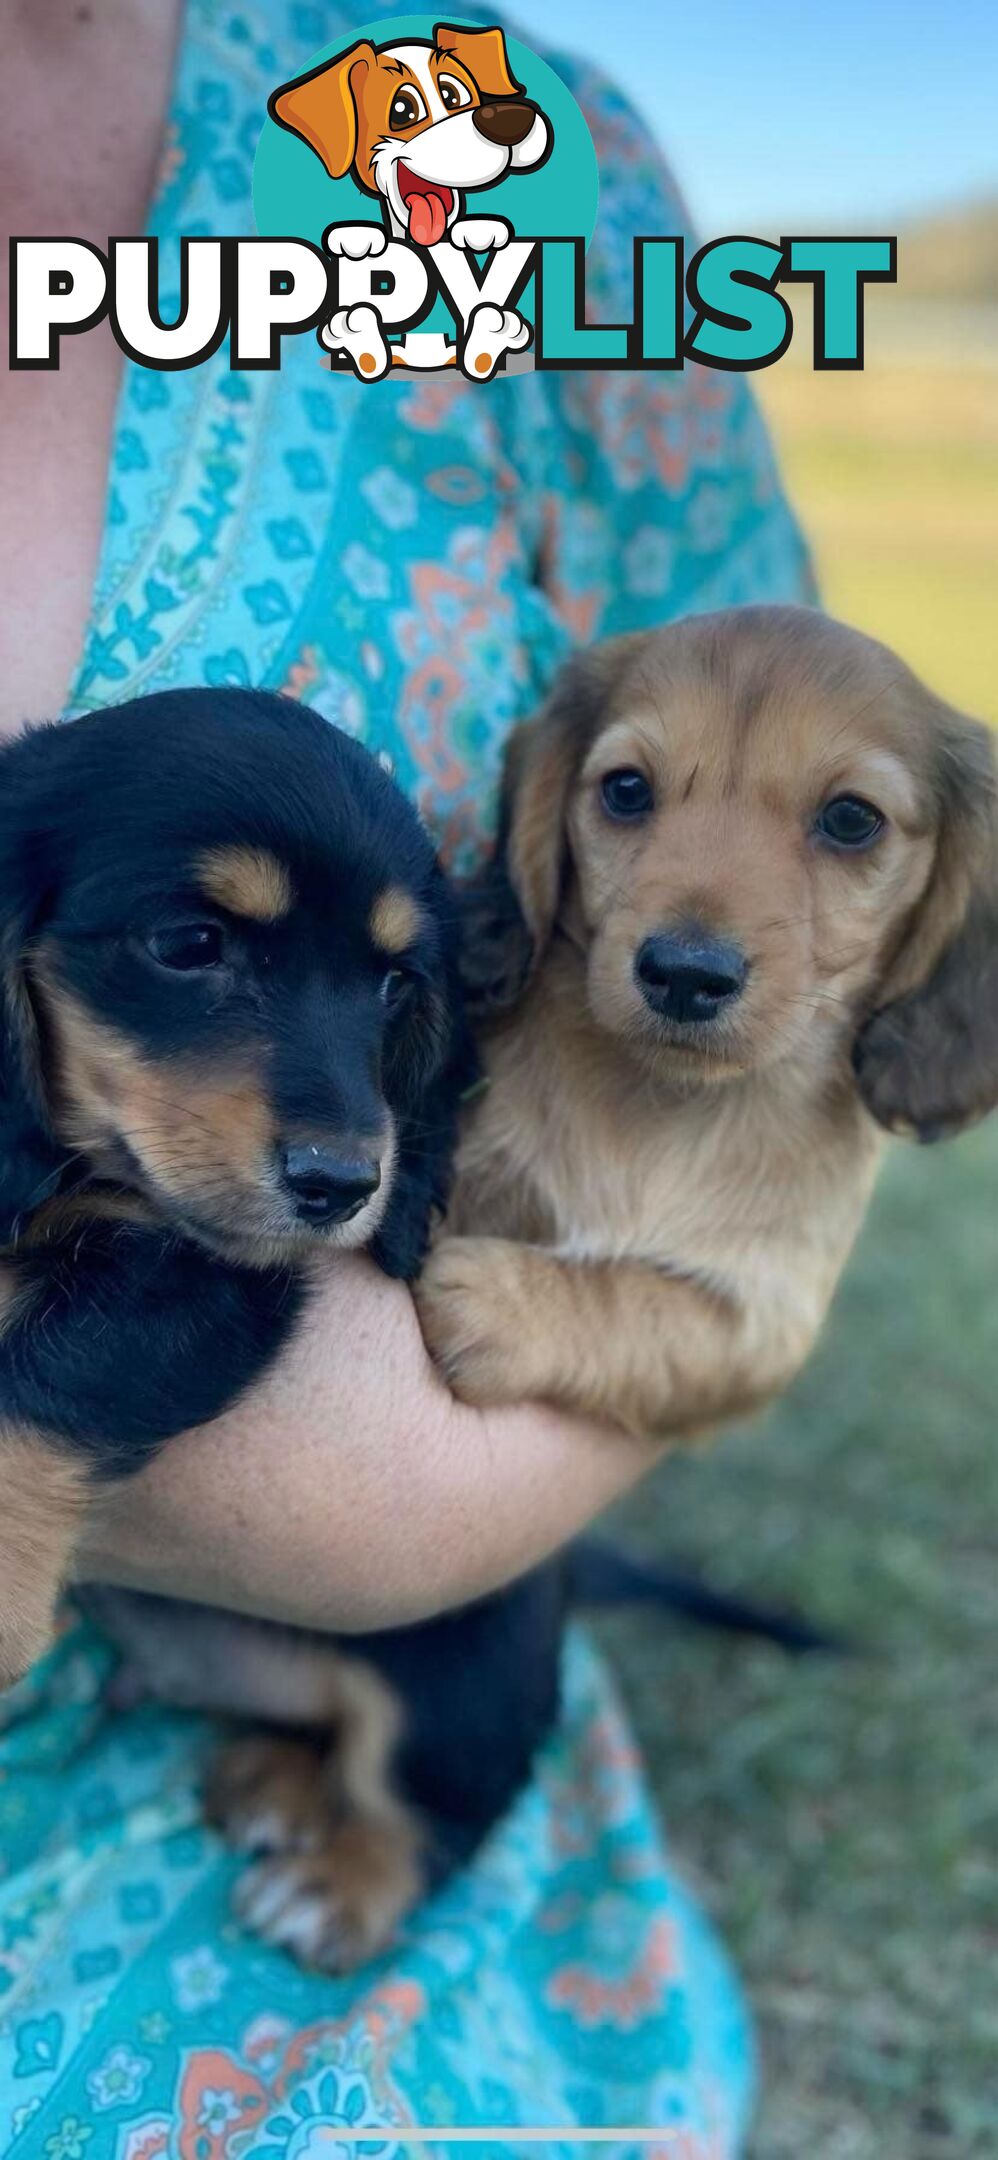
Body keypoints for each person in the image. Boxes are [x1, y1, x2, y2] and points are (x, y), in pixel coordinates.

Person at [0, 3, 813, 2150]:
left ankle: (387, 1826)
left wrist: (441, 1485)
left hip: (333, 1675)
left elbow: (807, 863)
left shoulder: (477, 134)